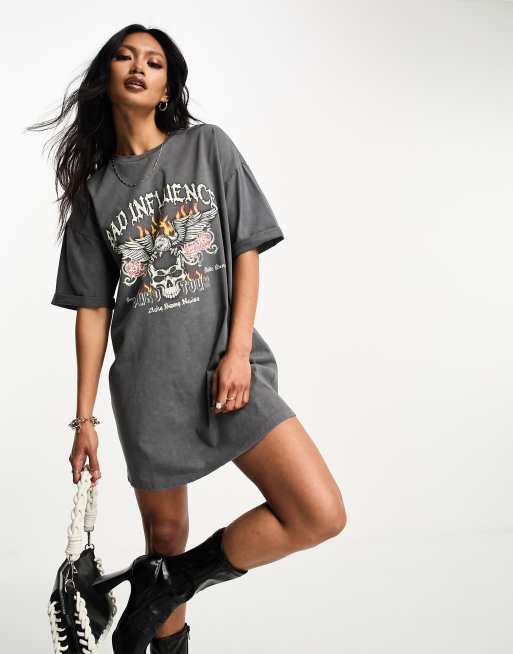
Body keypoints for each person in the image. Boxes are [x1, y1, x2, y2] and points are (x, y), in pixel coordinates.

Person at [31, 23, 347, 654]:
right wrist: (84, 420)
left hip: (224, 371)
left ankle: (166, 581)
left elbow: (246, 248)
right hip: (147, 387)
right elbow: (92, 311)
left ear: (167, 87)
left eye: (154, 62)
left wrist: (237, 352)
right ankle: (164, 598)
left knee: (317, 512)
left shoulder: (208, 147)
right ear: (106, 78)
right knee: (166, 536)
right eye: (125, 57)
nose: (138, 67)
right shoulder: (94, 193)